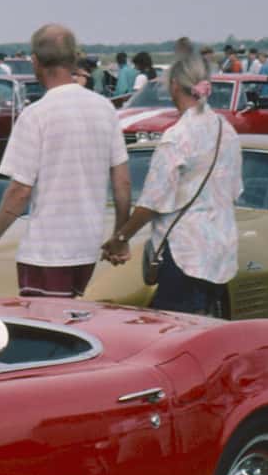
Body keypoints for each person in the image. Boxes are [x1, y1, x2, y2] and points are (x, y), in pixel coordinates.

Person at [0, 24, 129, 297]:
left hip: (46, 252)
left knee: (46, 330)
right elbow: (122, 183)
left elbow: (20, 191)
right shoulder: (105, 108)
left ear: (34, 61)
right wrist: (120, 237)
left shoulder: (36, 115)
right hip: (87, 248)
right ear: (73, 61)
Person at [102, 52, 241, 316]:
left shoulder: (177, 136)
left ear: (174, 85)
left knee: (173, 332)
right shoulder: (227, 130)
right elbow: (234, 191)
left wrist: (121, 238)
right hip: (221, 252)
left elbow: (153, 202)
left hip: (186, 255)